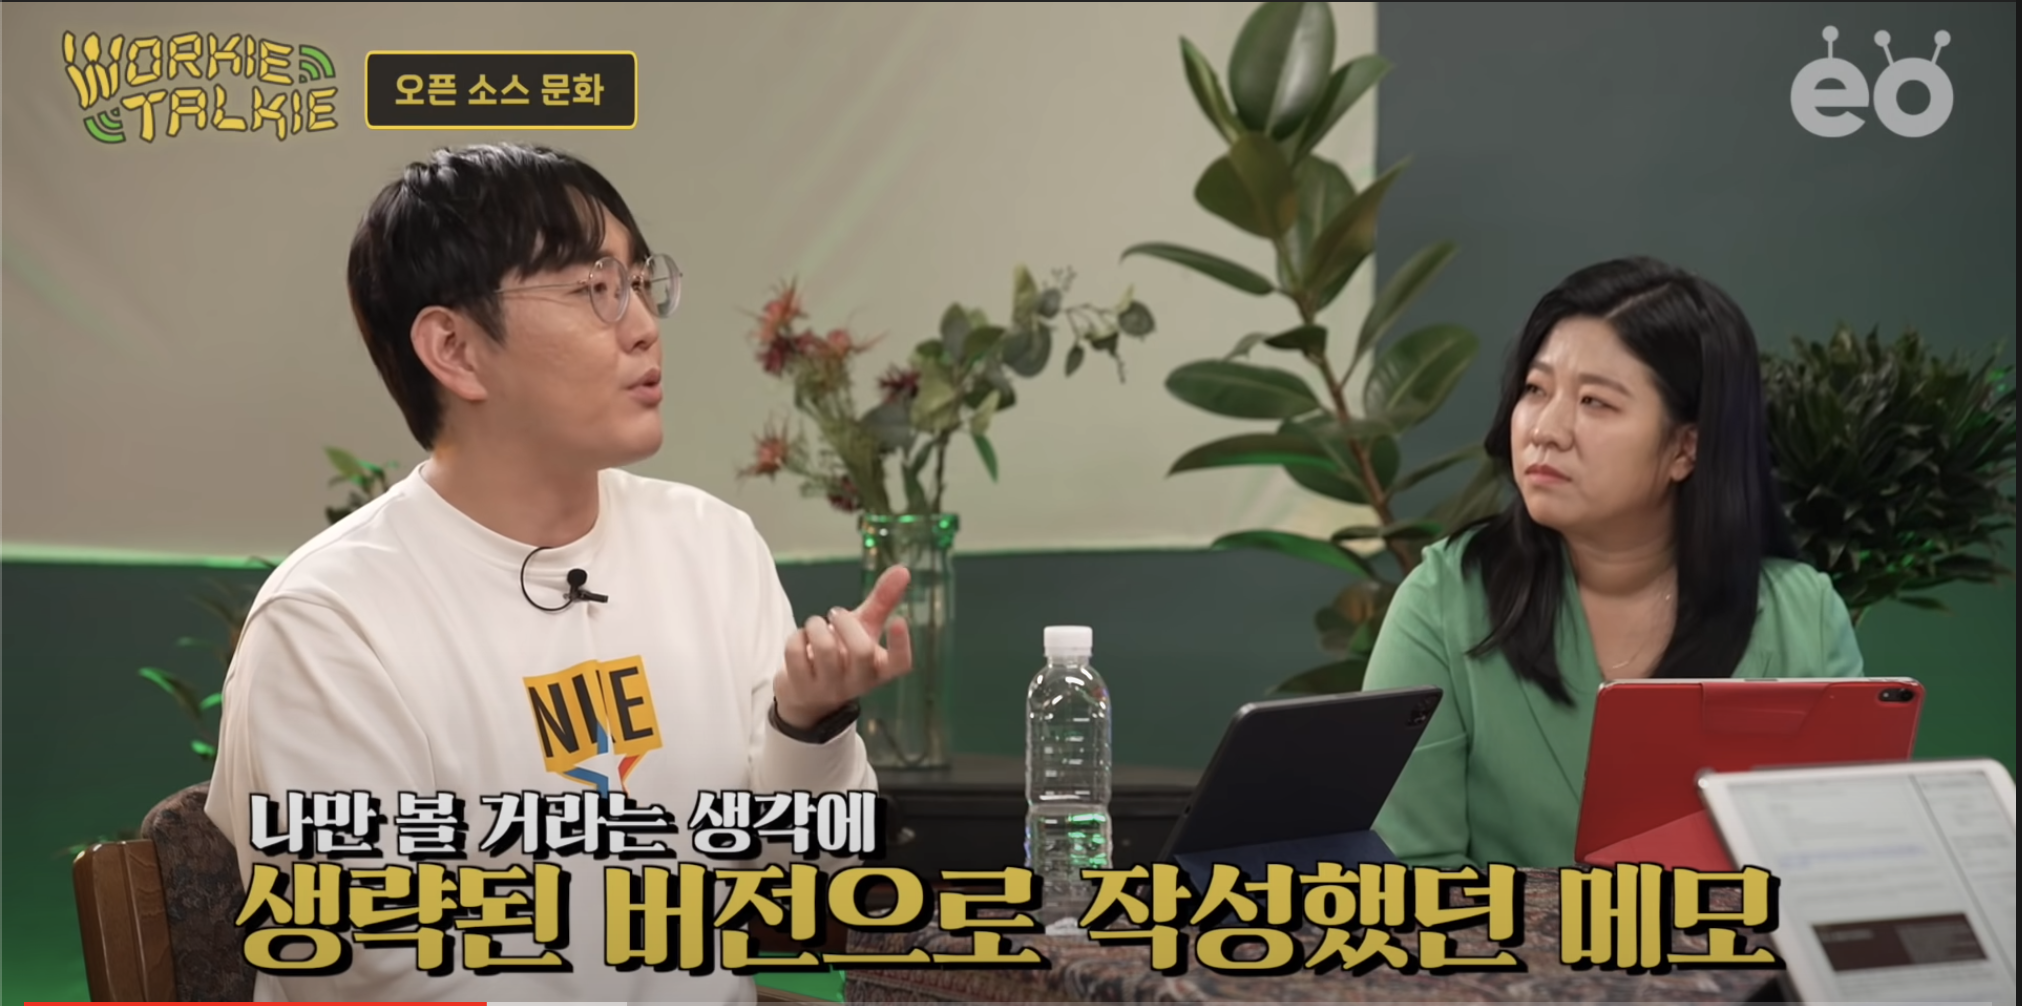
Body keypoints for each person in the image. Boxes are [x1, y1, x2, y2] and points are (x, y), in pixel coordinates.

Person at [205, 142, 913, 1003]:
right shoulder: (328, 620)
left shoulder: (711, 545)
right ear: (456, 349)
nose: (643, 325)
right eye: (595, 289)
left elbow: (813, 883)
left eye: (641, 283)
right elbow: (374, 974)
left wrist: (808, 726)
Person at [1363, 256, 1863, 869]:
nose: (1546, 430)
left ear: (1686, 448)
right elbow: (1407, 876)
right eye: (1535, 389)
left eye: (1595, 402)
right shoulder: (1445, 600)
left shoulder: (1803, 617)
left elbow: (1838, 871)